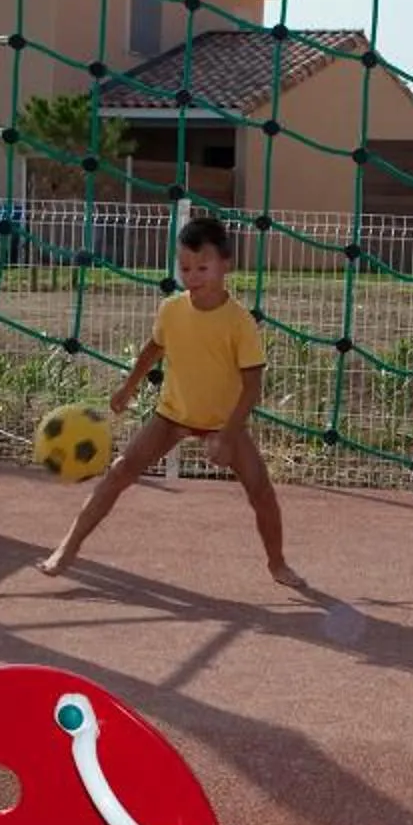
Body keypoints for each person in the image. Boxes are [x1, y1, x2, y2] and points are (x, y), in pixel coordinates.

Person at [41, 214, 303, 588]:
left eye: (202, 267)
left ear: (226, 265)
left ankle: (277, 564)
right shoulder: (172, 310)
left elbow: (252, 387)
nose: (193, 276)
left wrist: (228, 435)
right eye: (185, 268)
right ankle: (66, 548)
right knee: (119, 472)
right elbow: (154, 348)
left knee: (261, 491)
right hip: (172, 415)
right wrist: (128, 386)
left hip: (223, 422)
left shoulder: (239, 322)